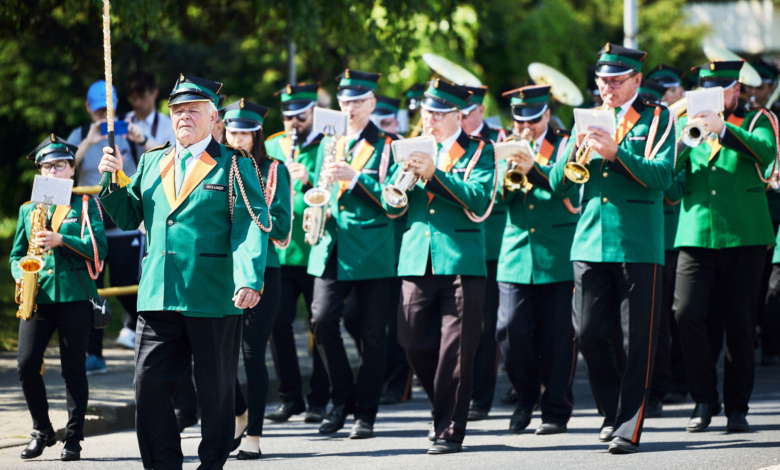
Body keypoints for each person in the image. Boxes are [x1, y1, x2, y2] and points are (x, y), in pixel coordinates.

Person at [97, 73, 269, 470]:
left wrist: (248, 279)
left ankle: (212, 463)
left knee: (216, 391)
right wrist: (111, 179)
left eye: (193, 110)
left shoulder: (234, 165)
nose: (183, 117)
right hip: (158, 292)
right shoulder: (153, 160)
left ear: (214, 119)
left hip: (212, 294)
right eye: (177, 110)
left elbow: (248, 227)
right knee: (149, 384)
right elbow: (127, 216)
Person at [550, 43, 675, 454]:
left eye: (616, 81)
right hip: (588, 241)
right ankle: (611, 410)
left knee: (634, 339)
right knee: (586, 334)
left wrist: (617, 154)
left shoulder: (658, 117)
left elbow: (663, 177)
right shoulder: (586, 117)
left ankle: (627, 425)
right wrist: (574, 145)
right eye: (603, 81)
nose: (607, 88)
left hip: (638, 243)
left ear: (637, 81)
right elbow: (557, 183)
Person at [383, 79, 496, 454]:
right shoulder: (407, 147)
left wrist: (435, 174)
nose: (427, 119)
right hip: (417, 258)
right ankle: (443, 407)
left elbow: (478, 200)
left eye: (436, 113)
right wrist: (397, 189)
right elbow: (392, 205)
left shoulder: (481, 151)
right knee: (411, 340)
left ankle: (450, 428)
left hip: (461, 260)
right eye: (424, 111)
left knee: (457, 350)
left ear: (457, 116)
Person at [673, 60, 778, 434]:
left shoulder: (755, 120)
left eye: (724, 90)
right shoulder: (688, 128)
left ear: (738, 90)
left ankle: (737, 405)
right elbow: (669, 177)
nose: (718, 98)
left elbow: (767, 154)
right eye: (709, 92)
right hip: (697, 235)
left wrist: (724, 130)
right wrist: (683, 137)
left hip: (744, 236)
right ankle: (703, 398)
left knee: (740, 325)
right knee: (685, 313)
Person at [308, 69, 398, 439]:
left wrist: (356, 179)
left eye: (358, 101)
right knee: (321, 320)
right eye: (345, 101)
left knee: (374, 336)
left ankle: (365, 412)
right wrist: (315, 204)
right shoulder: (329, 141)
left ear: (373, 103)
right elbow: (316, 188)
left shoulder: (389, 144)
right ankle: (340, 398)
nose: (350, 107)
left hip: (373, 248)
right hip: (332, 243)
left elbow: (395, 198)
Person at [13, 135, 107, 461]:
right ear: (40, 172)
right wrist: (20, 274)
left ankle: (73, 439)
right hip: (38, 296)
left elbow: (99, 250)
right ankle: (42, 429)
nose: (53, 171)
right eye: (47, 166)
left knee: (73, 370)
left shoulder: (85, 204)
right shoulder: (28, 209)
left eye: (60, 165)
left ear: (71, 170)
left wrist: (60, 239)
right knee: (26, 364)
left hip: (73, 296)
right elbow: (15, 255)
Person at [495, 85, 579, 434]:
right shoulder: (505, 144)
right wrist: (506, 172)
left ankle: (556, 409)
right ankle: (526, 395)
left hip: (556, 252)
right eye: (519, 121)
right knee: (509, 330)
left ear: (546, 115)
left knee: (557, 338)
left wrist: (533, 168)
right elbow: (495, 201)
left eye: (532, 120)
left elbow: (568, 189)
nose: (525, 128)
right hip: (515, 255)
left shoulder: (563, 144)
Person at [222, 98, 292, 459]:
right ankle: (238, 413)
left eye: (244, 134)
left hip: (266, 270)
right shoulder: (217, 164)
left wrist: (253, 208)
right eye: (232, 131)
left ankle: (255, 435)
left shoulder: (275, 170)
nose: (237, 139)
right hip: (222, 271)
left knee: (252, 352)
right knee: (217, 351)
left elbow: (281, 229)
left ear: (256, 135)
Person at [264, 83, 330, 423]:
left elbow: (335, 190)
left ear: (314, 114)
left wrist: (308, 179)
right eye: (288, 116)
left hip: (315, 249)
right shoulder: (273, 144)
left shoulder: (328, 146)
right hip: (281, 252)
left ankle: (320, 397)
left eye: (300, 116)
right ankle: (290, 396)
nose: (293, 123)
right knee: (278, 323)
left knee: (320, 325)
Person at [67, 80, 142, 374]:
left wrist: (139, 135)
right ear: (88, 108)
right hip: (92, 226)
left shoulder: (128, 131)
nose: (103, 116)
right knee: (92, 292)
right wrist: (89, 140)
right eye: (98, 110)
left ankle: (143, 340)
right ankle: (93, 354)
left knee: (129, 288)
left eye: (107, 110)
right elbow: (63, 167)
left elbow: (151, 161)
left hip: (126, 226)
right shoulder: (79, 134)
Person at [111, 71, 176, 350]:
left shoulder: (167, 124)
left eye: (143, 96)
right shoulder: (120, 123)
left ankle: (142, 325)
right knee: (122, 277)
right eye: (133, 98)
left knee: (150, 268)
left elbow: (172, 154)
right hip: (131, 199)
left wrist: (143, 138)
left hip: (161, 199)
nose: (138, 103)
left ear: (154, 94)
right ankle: (135, 320)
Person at [453, 84, 503, 422]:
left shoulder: (498, 139)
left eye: (468, 113)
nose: (462, 119)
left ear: (481, 112)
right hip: (458, 245)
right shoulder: (446, 143)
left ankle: (481, 397)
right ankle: (458, 391)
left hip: (495, 242)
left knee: (486, 325)